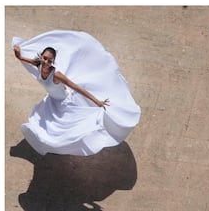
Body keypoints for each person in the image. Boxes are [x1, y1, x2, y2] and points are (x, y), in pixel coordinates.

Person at [11, 30, 141, 156]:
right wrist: (19, 55)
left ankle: (83, 142)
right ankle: (57, 146)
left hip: (65, 103)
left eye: (49, 61)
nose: (46, 62)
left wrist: (97, 101)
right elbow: (23, 59)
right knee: (49, 128)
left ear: (53, 62)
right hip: (53, 101)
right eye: (44, 58)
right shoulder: (38, 64)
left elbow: (77, 87)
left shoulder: (56, 75)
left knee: (71, 129)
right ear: (41, 56)